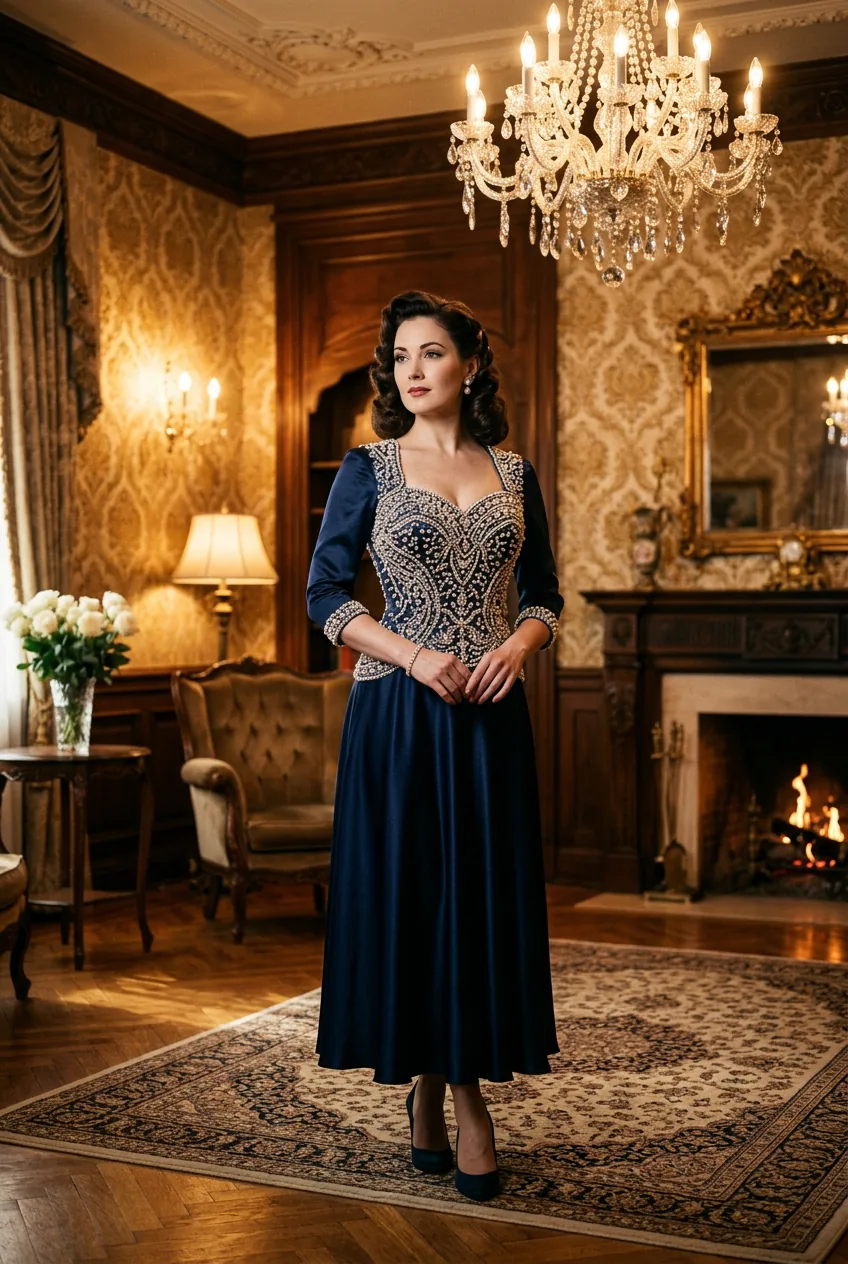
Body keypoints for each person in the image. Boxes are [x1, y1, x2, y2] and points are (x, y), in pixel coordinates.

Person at [306, 290, 563, 1202]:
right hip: (399, 717)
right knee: (416, 897)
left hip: (490, 719)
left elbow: (544, 599)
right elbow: (326, 597)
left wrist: (516, 651)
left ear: (470, 366)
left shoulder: (517, 472)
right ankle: (459, 1102)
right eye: (402, 357)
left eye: (433, 354)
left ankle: (440, 1085)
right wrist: (414, 655)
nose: (414, 370)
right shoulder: (367, 468)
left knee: (476, 906)